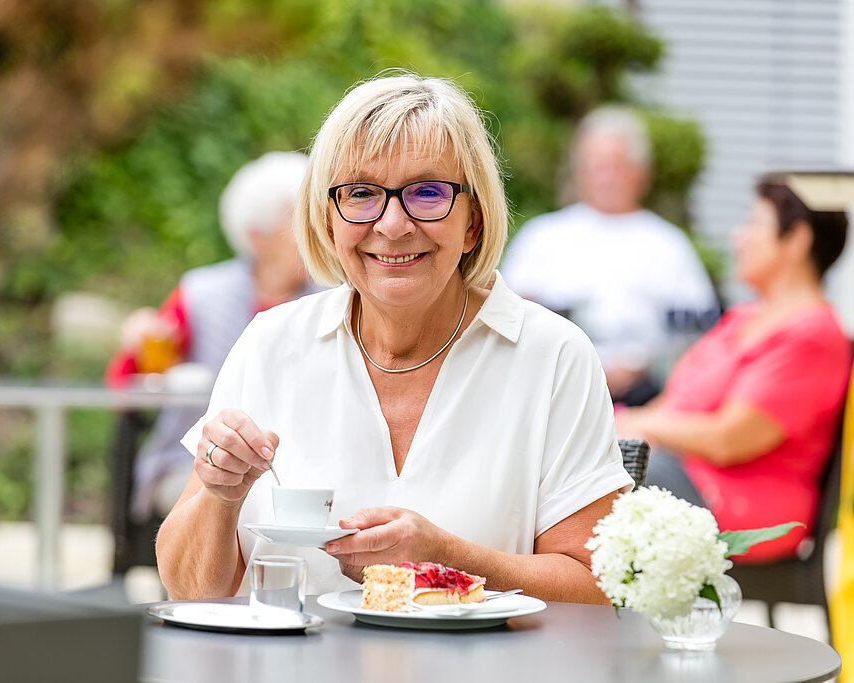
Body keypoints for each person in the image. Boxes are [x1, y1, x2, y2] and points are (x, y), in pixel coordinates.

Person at [155, 73, 633, 602]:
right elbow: (188, 590)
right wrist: (221, 497)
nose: (392, 223)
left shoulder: (553, 356)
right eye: (361, 194)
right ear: (328, 221)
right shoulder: (271, 343)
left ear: (473, 221)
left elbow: (600, 589)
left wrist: (447, 561)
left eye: (427, 193)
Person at [615, 179, 852, 562]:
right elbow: (674, 403)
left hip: (739, 503)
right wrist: (622, 426)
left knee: (601, 489)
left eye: (753, 223)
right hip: (679, 473)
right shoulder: (743, 318)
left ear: (797, 239)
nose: (737, 236)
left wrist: (636, 425)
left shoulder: (812, 334)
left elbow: (728, 439)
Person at [104, 151, 317, 522]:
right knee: (249, 508)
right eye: (298, 223)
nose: (315, 233)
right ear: (257, 237)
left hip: (301, 464)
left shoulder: (331, 297)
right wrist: (138, 342)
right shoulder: (202, 294)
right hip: (191, 462)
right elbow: (125, 387)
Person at [500, 106, 719, 406]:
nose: (604, 177)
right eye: (594, 165)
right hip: (551, 391)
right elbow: (507, 314)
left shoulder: (669, 245)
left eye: (616, 165)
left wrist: (640, 363)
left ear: (642, 173)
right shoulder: (542, 236)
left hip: (646, 396)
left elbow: (697, 334)